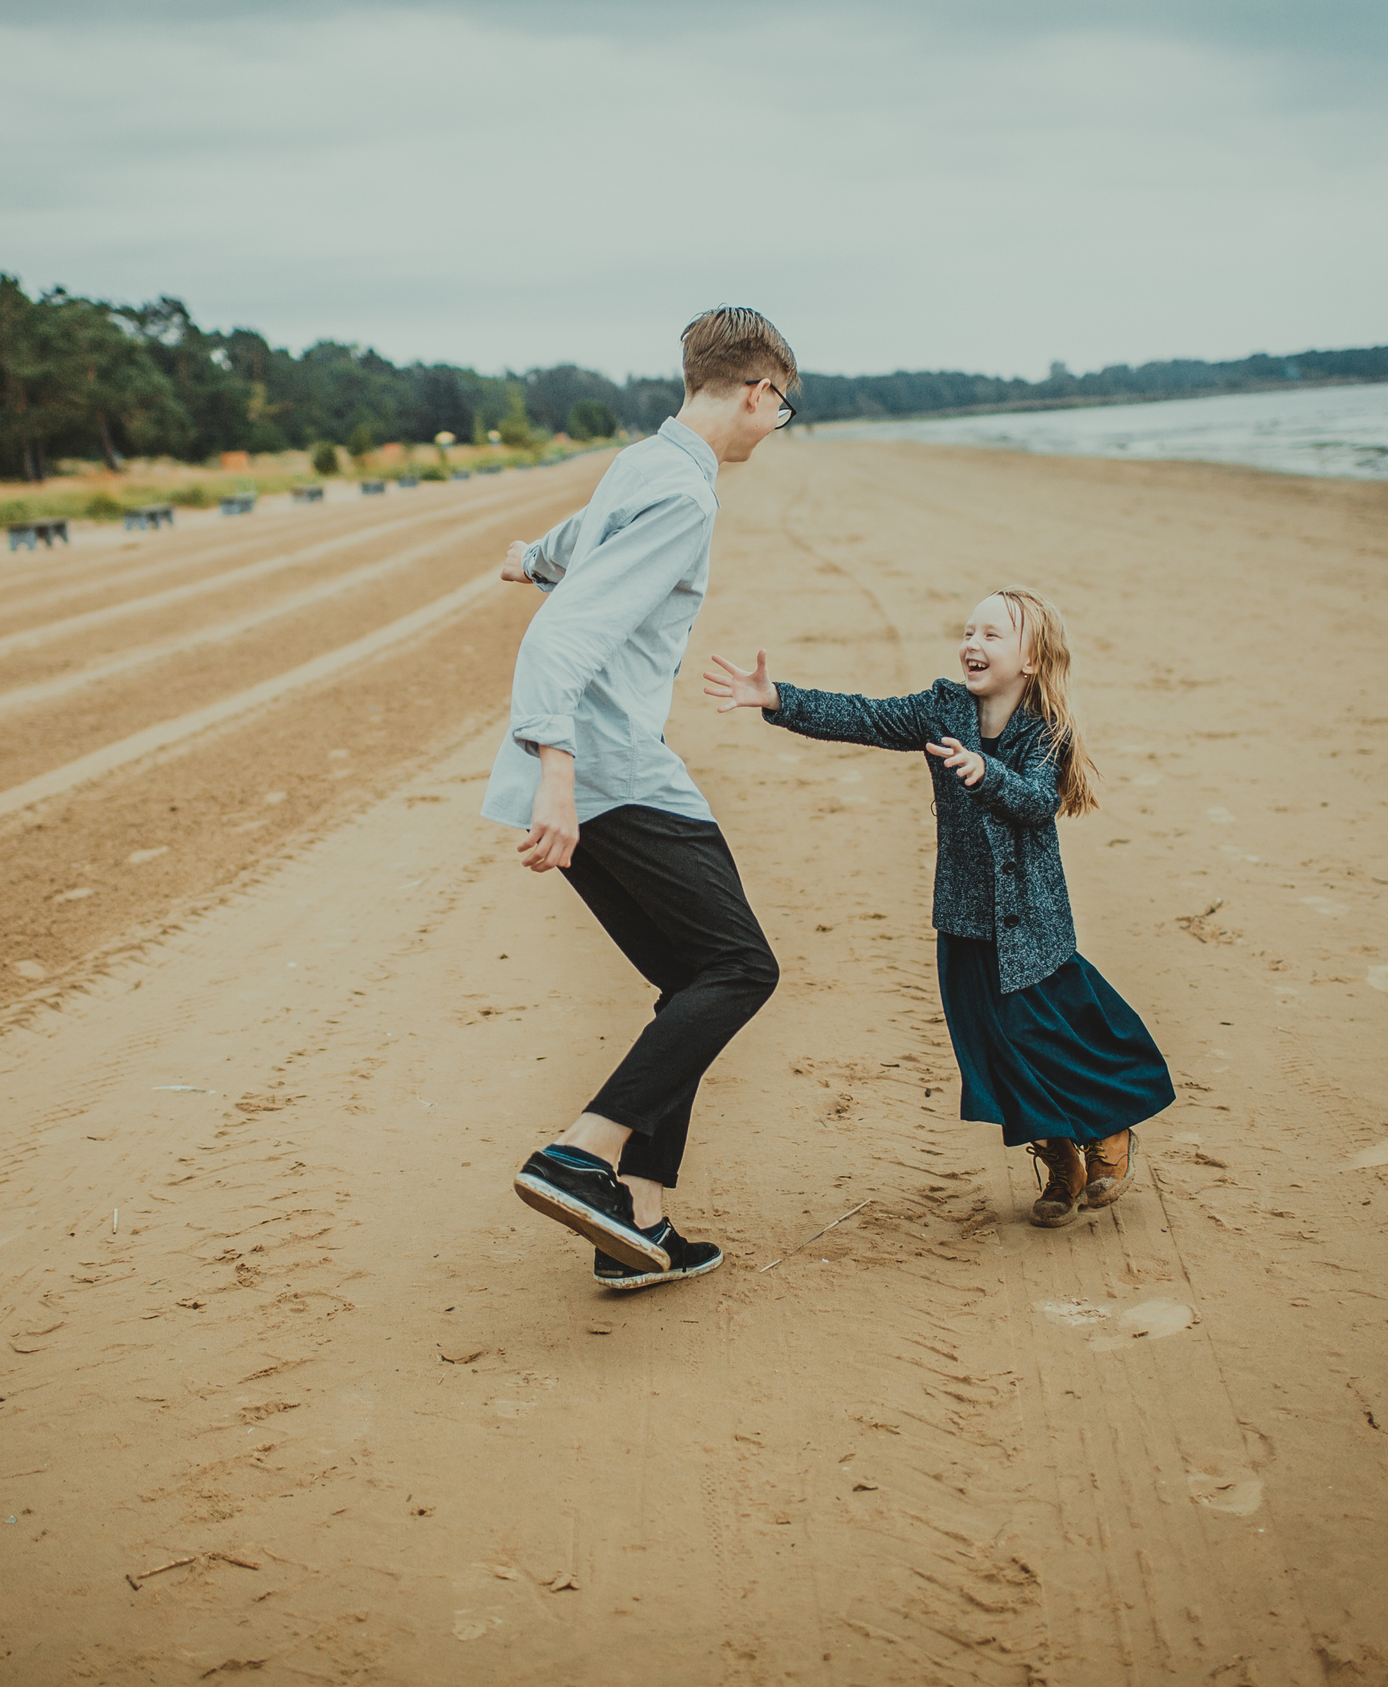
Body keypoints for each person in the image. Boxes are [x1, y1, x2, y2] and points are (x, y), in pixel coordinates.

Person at [490, 307, 798, 1290]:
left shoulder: (645, 465)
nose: (775, 426)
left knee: (692, 981)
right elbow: (561, 639)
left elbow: (579, 543)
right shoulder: (684, 497)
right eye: (780, 408)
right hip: (611, 769)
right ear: (757, 391)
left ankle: (642, 1228)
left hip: (602, 768)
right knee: (741, 969)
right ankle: (582, 1155)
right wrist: (559, 773)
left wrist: (530, 554)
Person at [702, 586, 1173, 1225]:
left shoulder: (1045, 731)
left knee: (1052, 1030)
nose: (972, 644)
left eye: (992, 635)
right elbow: (862, 716)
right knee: (994, 1045)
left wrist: (987, 771)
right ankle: (1060, 1153)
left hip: (1032, 921)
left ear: (1031, 660)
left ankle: (1111, 1128)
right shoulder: (941, 708)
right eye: (969, 631)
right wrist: (778, 699)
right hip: (964, 914)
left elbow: (1037, 800)